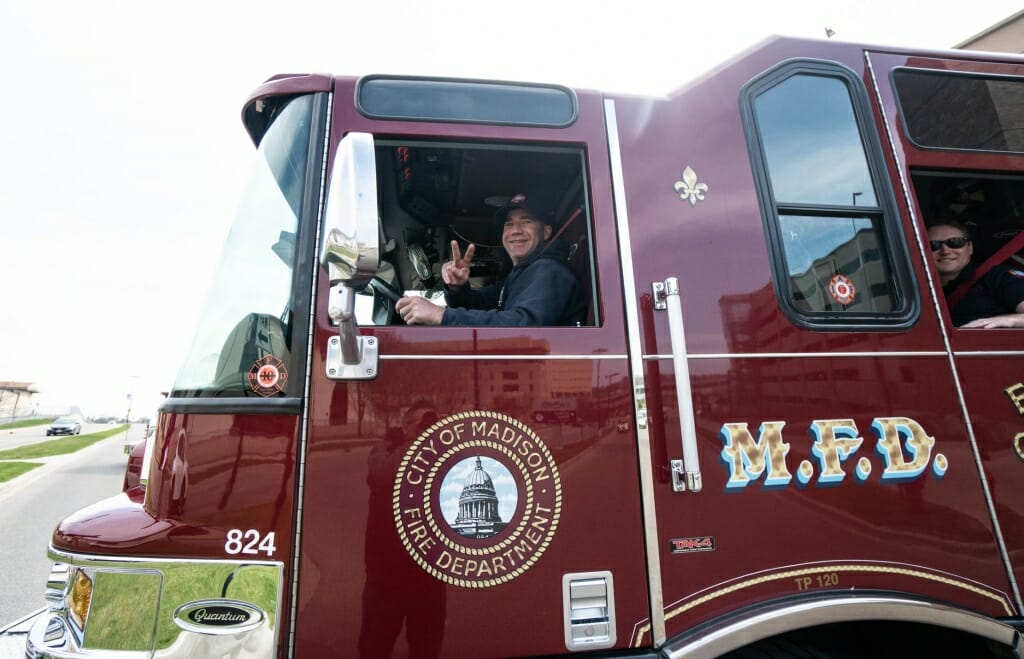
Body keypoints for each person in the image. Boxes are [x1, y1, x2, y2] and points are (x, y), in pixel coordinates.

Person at [394, 193, 586, 326]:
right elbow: (479, 303)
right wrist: (457, 288)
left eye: (526, 221)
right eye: (509, 224)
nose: (515, 230)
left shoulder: (549, 270)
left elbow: (524, 327)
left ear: (546, 232)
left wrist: (440, 315)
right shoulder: (521, 275)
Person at [927, 220, 1024, 328]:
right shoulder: (914, 288)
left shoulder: (998, 277)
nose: (945, 251)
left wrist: (1007, 320)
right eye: (933, 245)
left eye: (955, 242)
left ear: (970, 248)